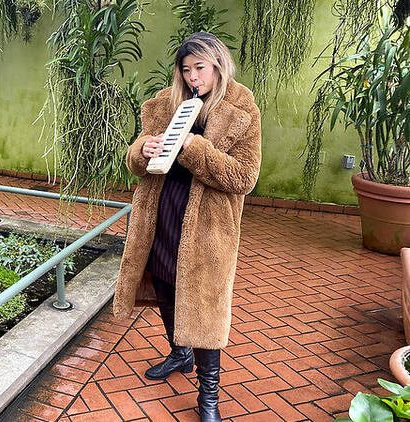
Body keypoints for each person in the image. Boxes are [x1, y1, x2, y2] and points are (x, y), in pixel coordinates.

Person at [113, 32, 262, 422]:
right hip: (161, 214)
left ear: (217, 65)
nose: (194, 76)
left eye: (201, 67)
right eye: (187, 69)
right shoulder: (166, 103)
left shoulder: (241, 107)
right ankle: (179, 354)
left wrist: (192, 148)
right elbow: (137, 153)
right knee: (164, 285)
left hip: (207, 227)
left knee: (204, 307)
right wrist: (141, 151)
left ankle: (208, 397)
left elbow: (244, 177)